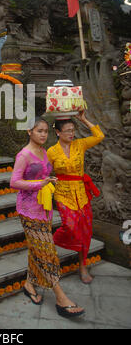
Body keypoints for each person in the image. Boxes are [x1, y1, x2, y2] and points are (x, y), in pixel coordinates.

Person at [10, 118, 85, 318]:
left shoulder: (44, 152)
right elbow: (14, 182)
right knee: (47, 251)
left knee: (38, 248)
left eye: (45, 131)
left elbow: (44, 176)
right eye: (39, 131)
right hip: (28, 210)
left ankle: (29, 284)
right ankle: (61, 298)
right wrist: (39, 184)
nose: (43, 135)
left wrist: (49, 182)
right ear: (29, 132)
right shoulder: (23, 155)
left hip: (44, 208)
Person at [47, 111, 105, 284]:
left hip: (81, 194)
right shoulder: (51, 151)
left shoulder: (80, 145)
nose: (71, 134)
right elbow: (43, 172)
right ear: (58, 132)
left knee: (85, 232)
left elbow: (99, 135)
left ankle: (82, 265)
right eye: (67, 131)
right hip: (63, 194)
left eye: (73, 130)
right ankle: (48, 242)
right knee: (70, 227)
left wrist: (84, 119)